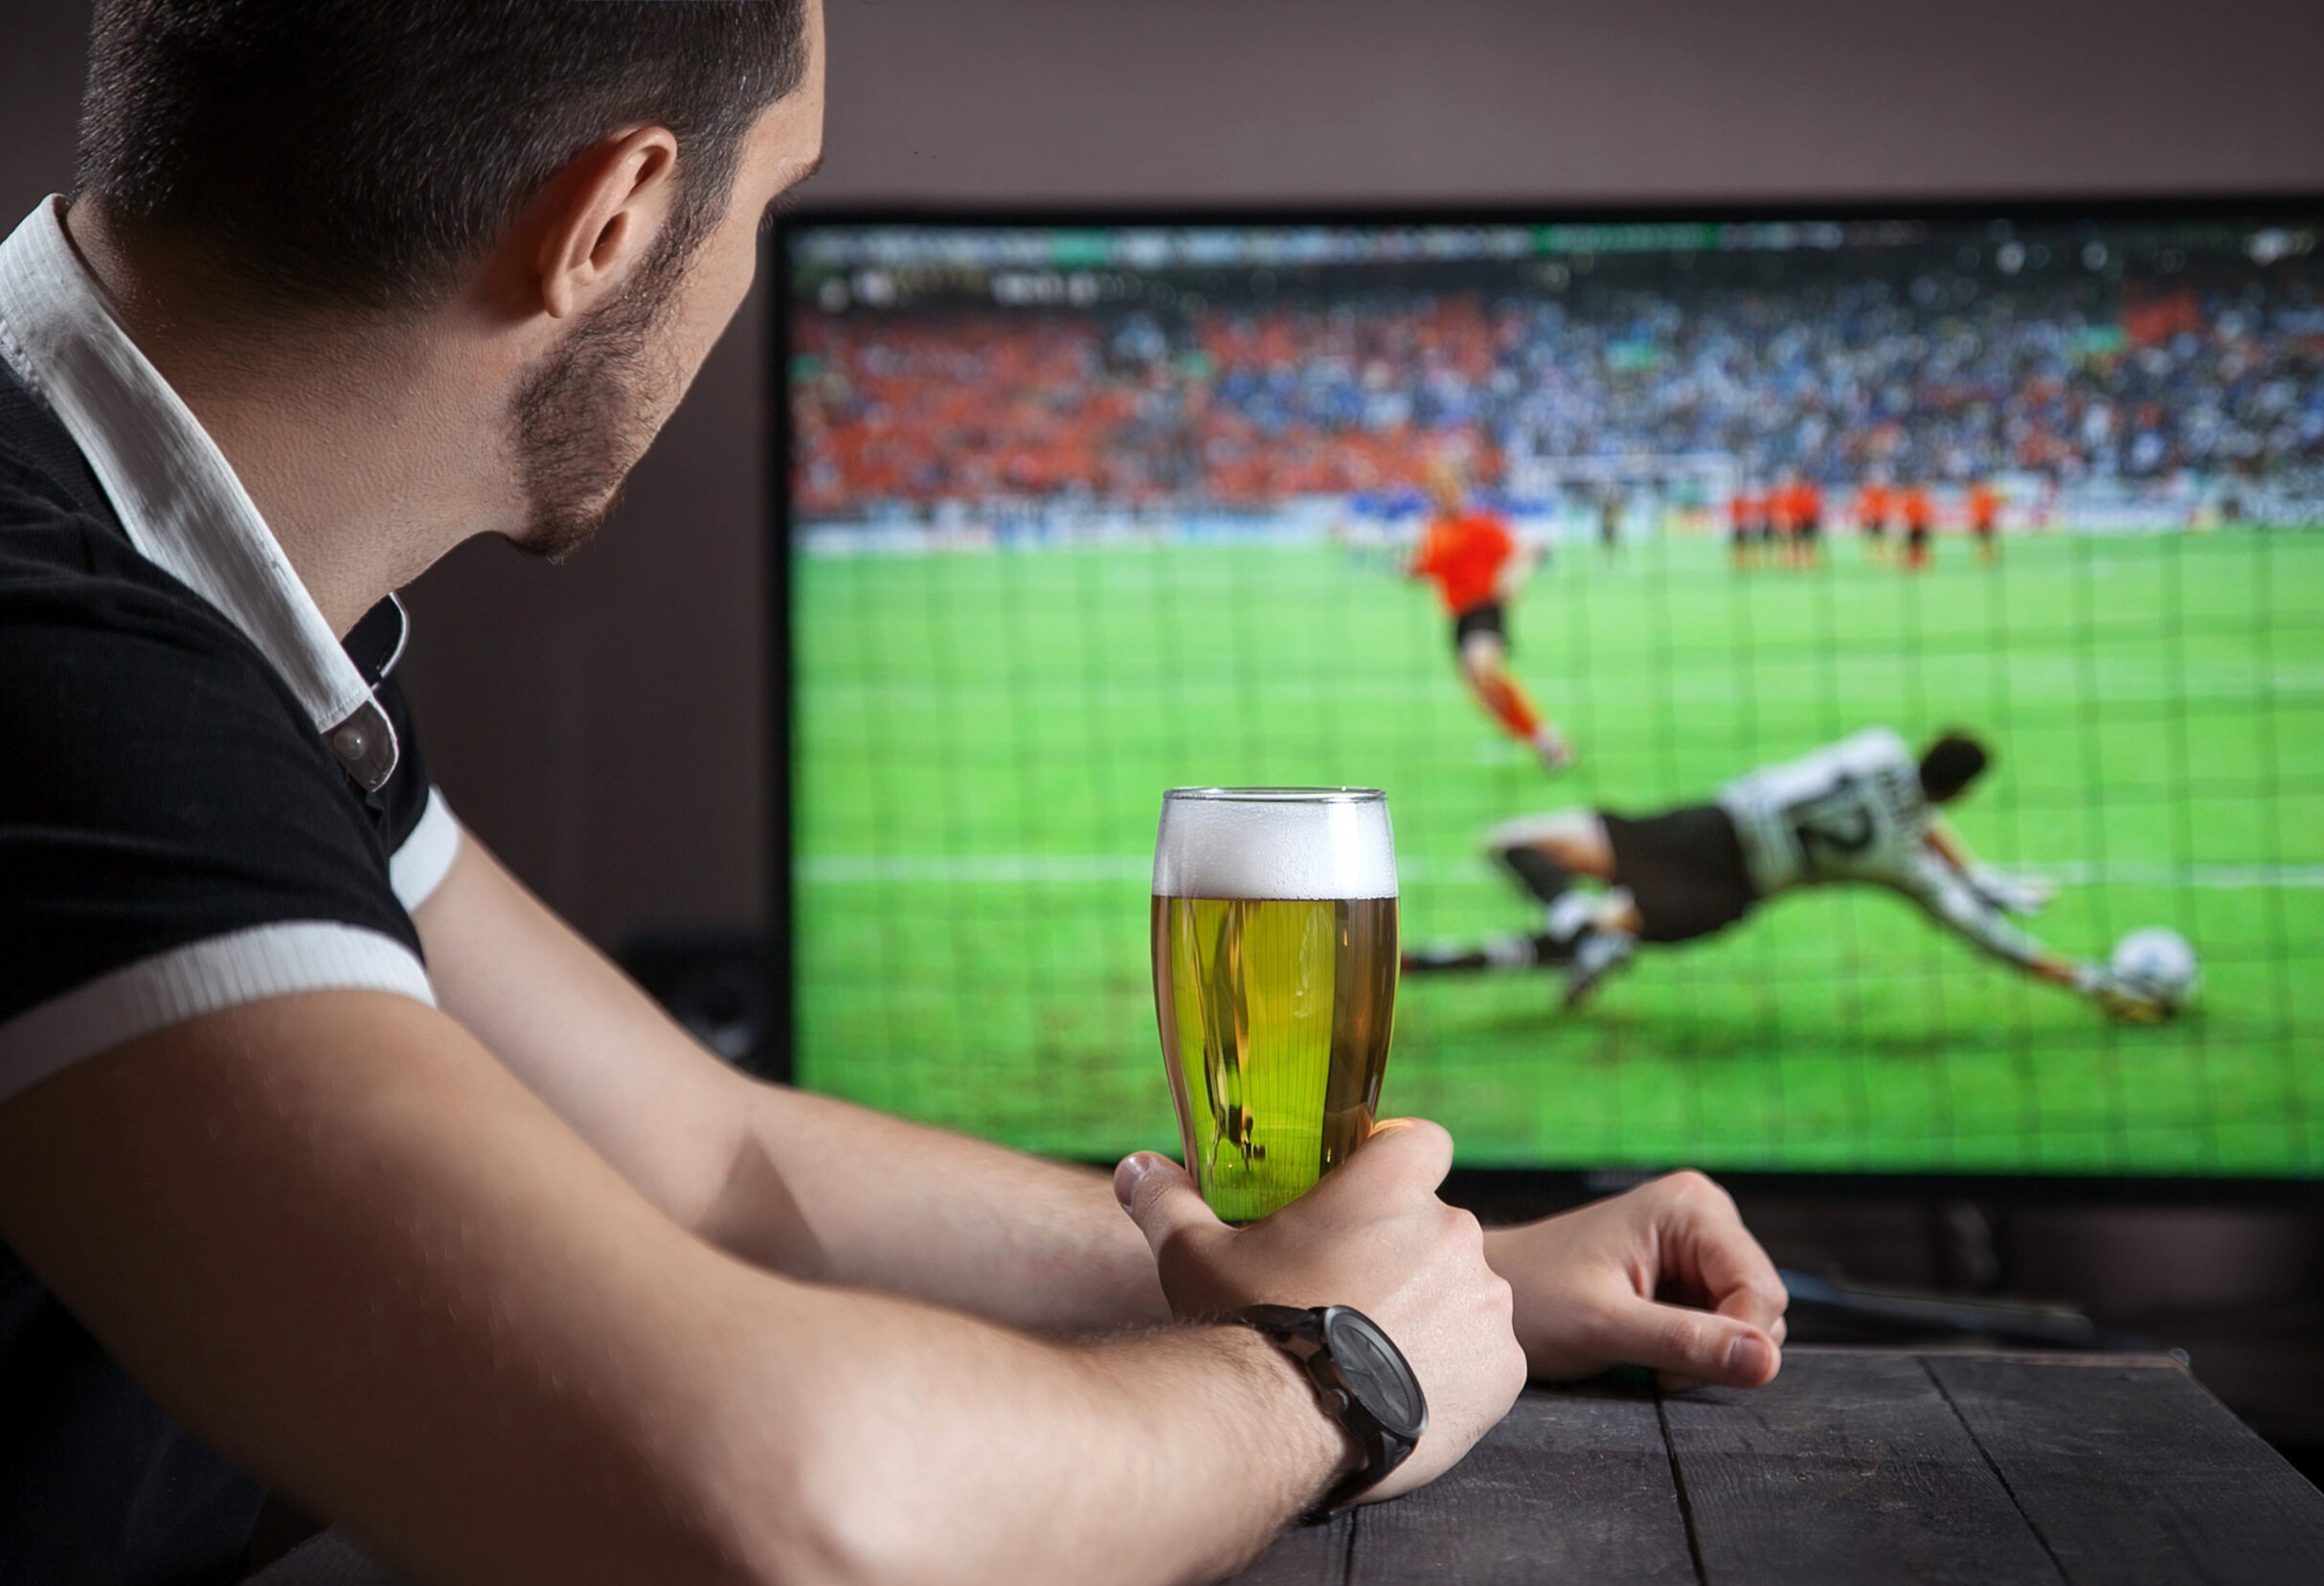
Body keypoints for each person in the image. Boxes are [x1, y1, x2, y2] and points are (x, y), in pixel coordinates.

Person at [0, 5, 1787, 1583]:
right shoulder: (63, 663)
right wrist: (1334, 1373)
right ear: (613, 224)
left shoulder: (177, 591)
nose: (752, 262)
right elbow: (772, 1504)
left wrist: (1413, 1272)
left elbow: (711, 1155)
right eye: (769, 203)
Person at [1404, 726, 2170, 1018]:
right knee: (1583, 926)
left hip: (1705, 828)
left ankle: (1581, 930)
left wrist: (1977, 872)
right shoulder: (1903, 861)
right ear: (1959, 792)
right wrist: (2081, 975)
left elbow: (1918, 815)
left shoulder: (1877, 749)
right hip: (1731, 891)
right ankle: (1589, 933)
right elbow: (1986, 937)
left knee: (1513, 840)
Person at [1409, 463, 1575, 772]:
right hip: (1458, 619)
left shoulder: (1482, 524)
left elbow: (1523, 552)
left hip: (1485, 610)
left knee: (1482, 666)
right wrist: (1409, 570)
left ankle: (1553, 744)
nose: (1445, 492)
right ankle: (1542, 743)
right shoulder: (1434, 529)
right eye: (1438, 487)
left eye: (1450, 485)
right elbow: (1429, 566)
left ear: (1462, 489)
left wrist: (1515, 576)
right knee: (1484, 697)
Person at [1899, 481, 1937, 571]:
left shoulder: (1919, 502)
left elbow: (1927, 515)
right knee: (1914, 546)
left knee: (1919, 546)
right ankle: (1915, 563)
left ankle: (1920, 563)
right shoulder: (1913, 502)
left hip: (1919, 527)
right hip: (1914, 527)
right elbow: (1906, 515)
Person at [1854, 477, 1891, 563]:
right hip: (1875, 520)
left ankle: (1877, 557)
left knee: (1878, 540)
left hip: (1878, 520)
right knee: (1874, 540)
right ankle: (1874, 557)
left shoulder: (1878, 496)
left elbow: (1881, 507)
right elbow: (1868, 507)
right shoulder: (1873, 495)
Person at [1966, 477, 2002, 563]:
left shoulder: (1981, 496)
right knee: (1984, 540)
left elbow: (1992, 507)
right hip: (1982, 521)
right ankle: (1986, 556)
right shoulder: (1980, 496)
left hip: (1985, 521)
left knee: (1985, 540)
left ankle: (1987, 556)